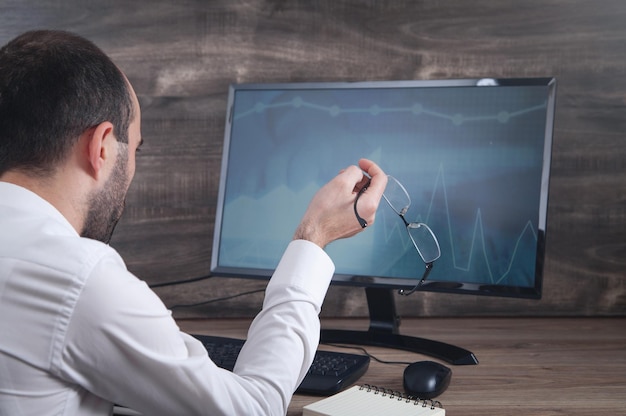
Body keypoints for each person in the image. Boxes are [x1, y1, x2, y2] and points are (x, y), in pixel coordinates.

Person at [0, 30, 388, 415]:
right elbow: (253, 409)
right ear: (100, 147)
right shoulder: (78, 280)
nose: (132, 167)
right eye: (134, 149)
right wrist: (314, 236)